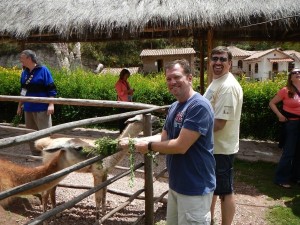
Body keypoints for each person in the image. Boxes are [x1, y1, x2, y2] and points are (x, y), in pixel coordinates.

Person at [120, 59, 216, 225]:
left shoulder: (199, 106)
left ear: (190, 78)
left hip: (195, 187)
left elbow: (180, 146)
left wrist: (147, 146)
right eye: (168, 79)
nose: (172, 82)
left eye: (176, 77)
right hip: (177, 184)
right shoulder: (174, 107)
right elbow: (164, 138)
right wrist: (134, 141)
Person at [203, 46, 243, 225]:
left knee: (225, 191)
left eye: (222, 59)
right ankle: (210, 220)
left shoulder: (227, 86)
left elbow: (219, 123)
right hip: (213, 146)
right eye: (215, 59)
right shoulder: (217, 80)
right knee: (211, 188)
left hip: (222, 148)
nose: (218, 62)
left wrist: (192, 131)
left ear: (230, 63)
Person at [16, 49, 57, 156]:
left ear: (29, 58)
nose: (21, 60)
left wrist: (51, 104)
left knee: (45, 132)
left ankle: (48, 154)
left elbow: (51, 89)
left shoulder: (43, 70)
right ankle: (35, 154)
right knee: (31, 133)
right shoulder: (24, 73)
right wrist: (19, 106)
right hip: (28, 108)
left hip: (42, 108)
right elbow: (23, 92)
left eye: (22, 58)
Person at [269, 68, 300, 188]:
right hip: (291, 124)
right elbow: (272, 103)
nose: (297, 74)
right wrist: (280, 115)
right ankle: (281, 179)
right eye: (294, 73)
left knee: (299, 152)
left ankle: (296, 177)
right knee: (289, 152)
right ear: (290, 77)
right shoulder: (285, 90)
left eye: (299, 72)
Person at [115, 68, 135, 133]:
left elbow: (128, 92)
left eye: (128, 76)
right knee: (122, 118)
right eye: (126, 76)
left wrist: (131, 91)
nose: (127, 78)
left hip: (128, 102)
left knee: (128, 117)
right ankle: (121, 132)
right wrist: (127, 91)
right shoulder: (118, 83)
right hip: (121, 103)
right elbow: (119, 93)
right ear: (122, 75)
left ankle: (127, 131)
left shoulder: (126, 82)